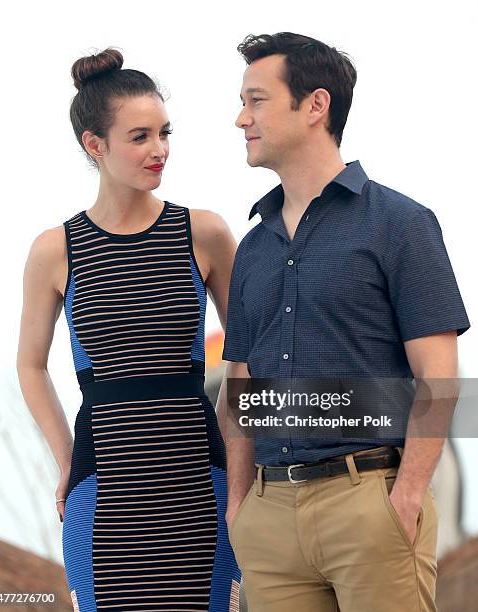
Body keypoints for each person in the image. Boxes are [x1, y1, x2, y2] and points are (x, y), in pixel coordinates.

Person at [220, 32, 470, 611]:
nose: (241, 118)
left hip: (370, 505)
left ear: (315, 105)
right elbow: (238, 387)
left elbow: (438, 375)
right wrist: (239, 508)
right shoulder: (253, 248)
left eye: (256, 100)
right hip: (269, 519)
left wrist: (405, 497)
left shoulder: (400, 223)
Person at [16, 47, 243, 611]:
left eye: (165, 133)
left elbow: (248, 351)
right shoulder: (55, 249)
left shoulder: (204, 232)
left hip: (199, 477)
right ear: (95, 144)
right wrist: (67, 458)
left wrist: (232, 444)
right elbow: (30, 364)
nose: (159, 150)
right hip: (104, 483)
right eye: (140, 136)